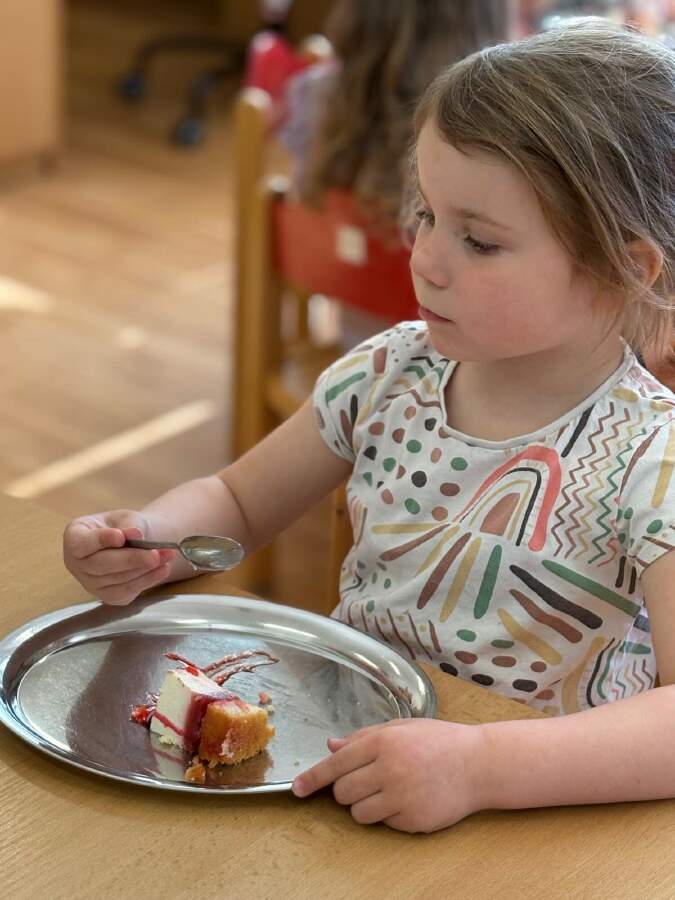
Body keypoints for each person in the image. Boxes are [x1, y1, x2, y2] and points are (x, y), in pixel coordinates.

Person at [64, 21, 675, 833]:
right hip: (347, 778)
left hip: (535, 824)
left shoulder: (652, 458)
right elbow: (239, 503)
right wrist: (153, 541)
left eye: (479, 241)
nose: (423, 257)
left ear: (623, 268)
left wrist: (479, 766)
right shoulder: (389, 371)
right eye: (425, 213)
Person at [272, 0, 515, 346]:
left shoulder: (314, 93)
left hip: (357, 343)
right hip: (453, 360)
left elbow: (303, 199)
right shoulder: (492, 126)